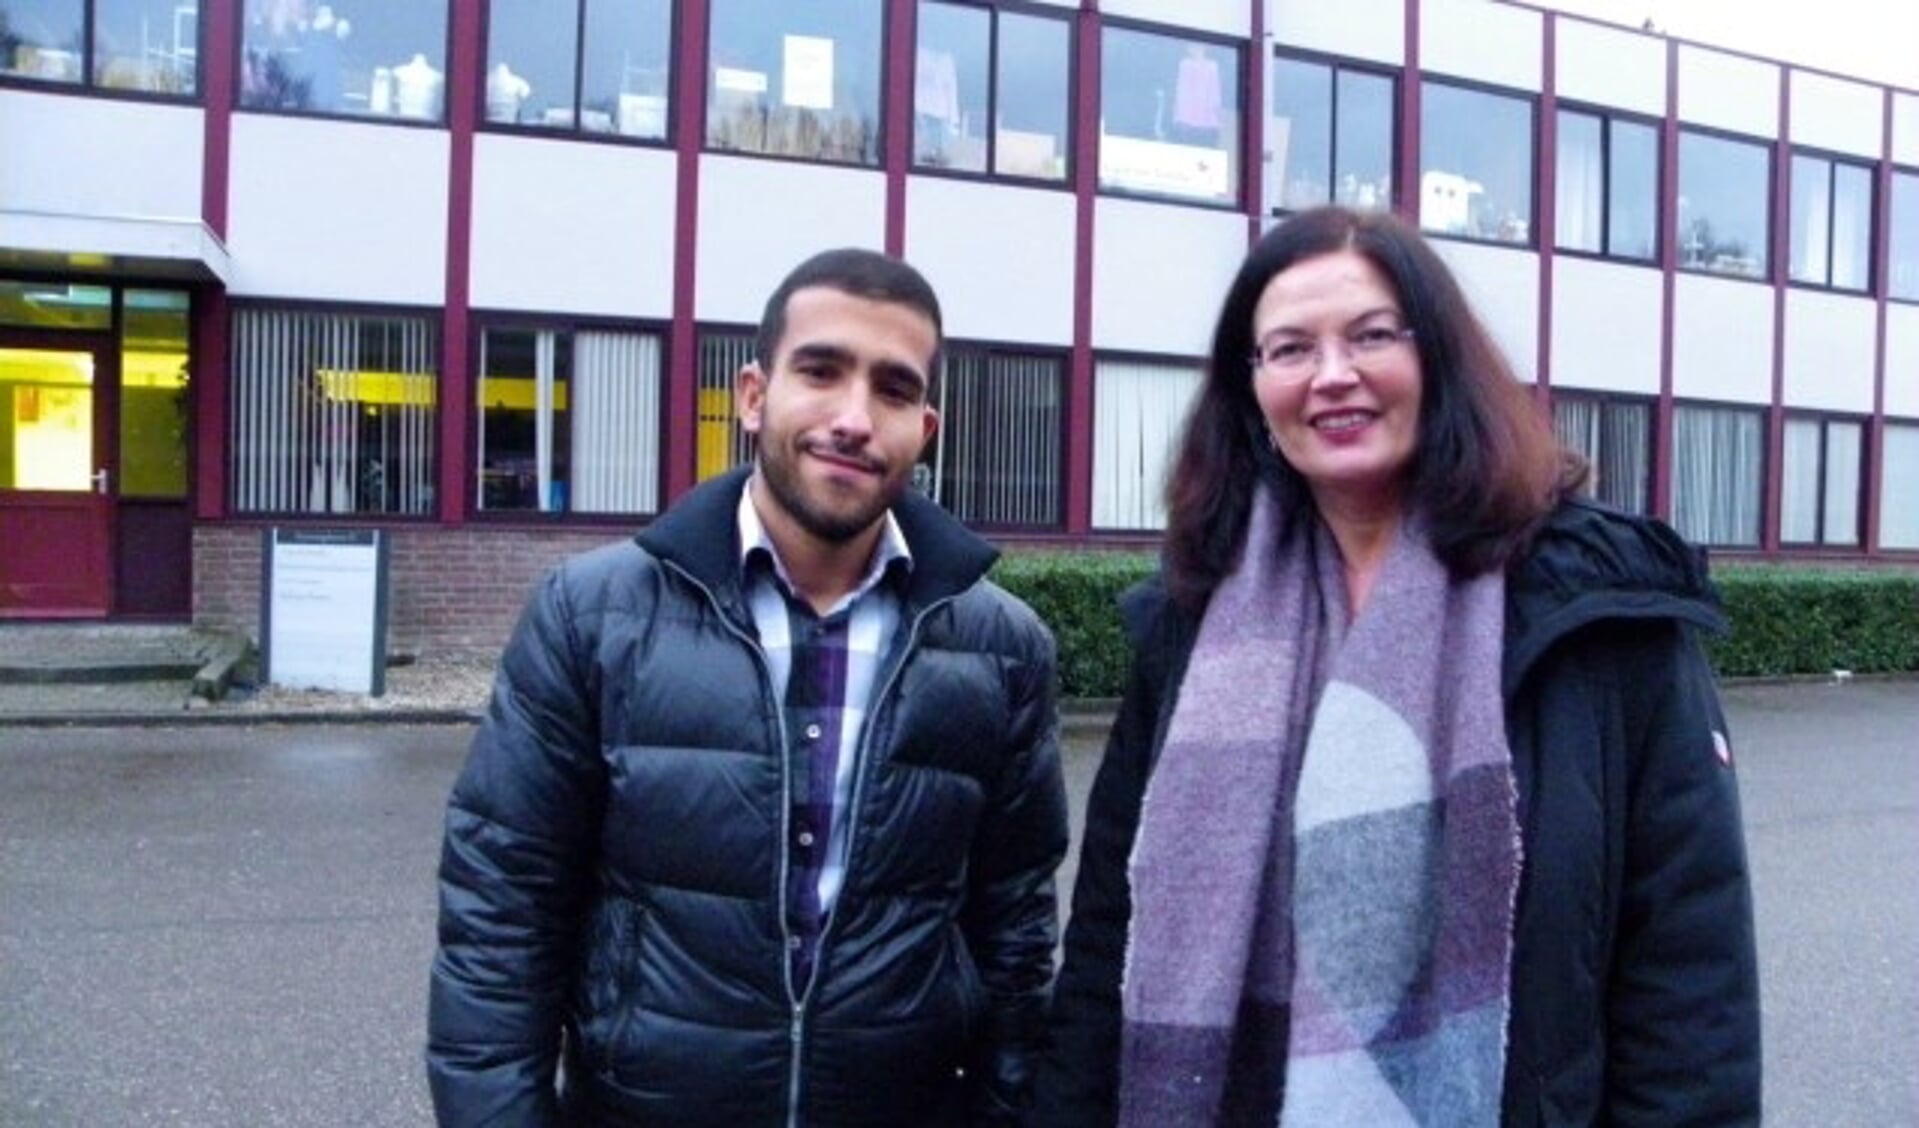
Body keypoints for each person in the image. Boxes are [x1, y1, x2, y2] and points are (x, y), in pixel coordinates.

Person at [1034, 206, 1760, 1126]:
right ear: (1250, 387)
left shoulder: (1599, 615)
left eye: (1372, 335)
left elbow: (1688, 978)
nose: (1332, 375)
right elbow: (1110, 937)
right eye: (1289, 349)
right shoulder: (1193, 619)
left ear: (1439, 358)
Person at [428, 248, 1069, 1126]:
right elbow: (502, 913)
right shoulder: (593, 615)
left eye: (890, 388)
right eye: (820, 371)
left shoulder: (1001, 648)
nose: (852, 417)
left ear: (924, 427)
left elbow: (1015, 936)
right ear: (754, 395)